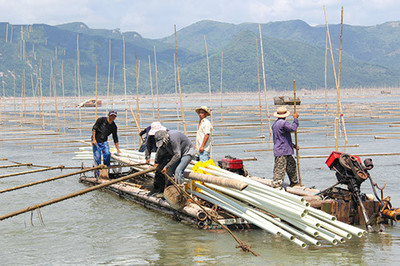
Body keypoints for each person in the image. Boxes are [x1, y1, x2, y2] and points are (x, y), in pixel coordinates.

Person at [272, 106, 299, 188]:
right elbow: (293, 128)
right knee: (280, 168)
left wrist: (293, 145)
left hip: (284, 149)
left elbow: (282, 138)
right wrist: (295, 119)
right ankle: (277, 185)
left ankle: (294, 182)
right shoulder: (283, 123)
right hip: (282, 150)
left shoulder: (275, 124)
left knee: (291, 164)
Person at [141, 122, 168, 196]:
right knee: (158, 171)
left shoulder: (167, 134)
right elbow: (148, 146)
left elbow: (162, 149)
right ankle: (157, 188)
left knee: (162, 170)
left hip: (168, 152)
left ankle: (163, 190)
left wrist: (157, 161)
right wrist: (147, 157)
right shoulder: (151, 137)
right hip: (159, 153)